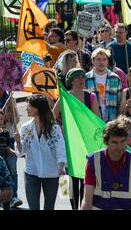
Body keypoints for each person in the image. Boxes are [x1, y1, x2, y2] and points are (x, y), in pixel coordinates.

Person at [52, 68, 99, 209]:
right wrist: (63, 125)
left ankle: (83, 205)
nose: (81, 80)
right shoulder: (64, 97)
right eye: (77, 78)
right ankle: (71, 205)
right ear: (70, 81)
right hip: (68, 142)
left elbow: (96, 119)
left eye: (83, 77)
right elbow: (53, 116)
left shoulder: (90, 97)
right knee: (68, 178)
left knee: (84, 177)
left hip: (85, 143)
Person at [81, 118, 131, 210]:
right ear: (105, 142)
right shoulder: (92, 160)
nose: (120, 147)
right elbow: (87, 201)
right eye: (115, 142)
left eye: (122, 141)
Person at [17, 94, 67, 210]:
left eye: (29, 106)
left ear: (37, 108)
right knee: (33, 207)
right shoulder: (25, 128)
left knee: (49, 206)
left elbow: (60, 147)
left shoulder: (54, 128)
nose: (26, 108)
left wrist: (61, 166)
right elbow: (21, 152)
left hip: (51, 173)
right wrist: (18, 142)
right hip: (31, 172)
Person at [85, 48, 122, 122]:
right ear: (93, 61)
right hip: (93, 121)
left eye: (104, 59)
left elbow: (119, 102)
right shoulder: (86, 78)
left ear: (107, 61)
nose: (101, 62)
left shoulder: (115, 78)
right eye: (98, 59)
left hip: (111, 121)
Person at [0, 107, 17, 210]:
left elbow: (7, 148)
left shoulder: (5, 133)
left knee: (6, 188)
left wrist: (16, 153)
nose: (0, 122)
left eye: (2, 119)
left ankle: (8, 205)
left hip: (3, 164)